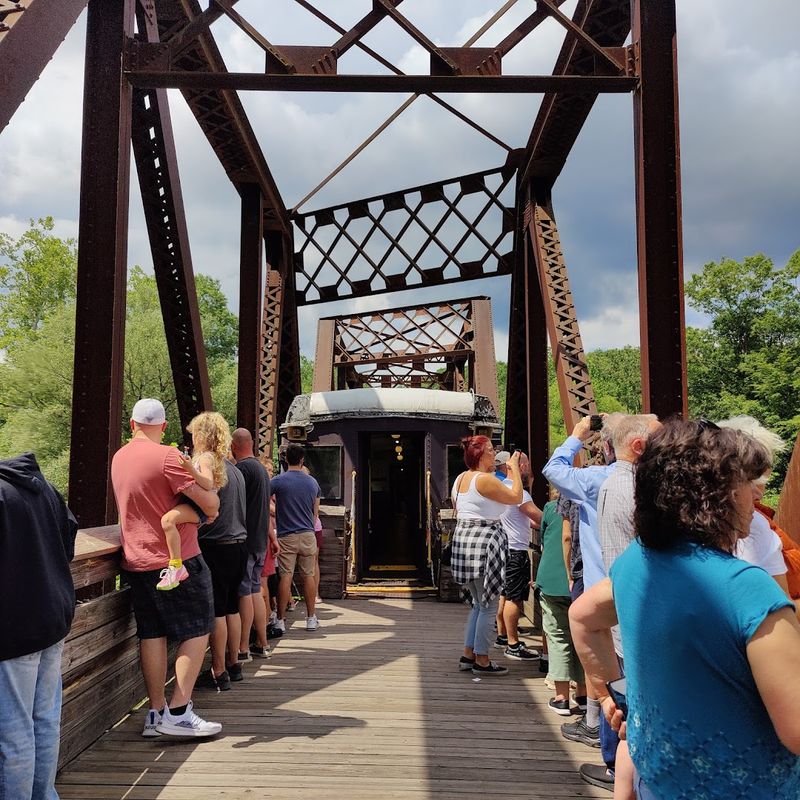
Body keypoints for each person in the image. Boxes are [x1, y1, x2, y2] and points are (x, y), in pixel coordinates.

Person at [570, 419, 800, 800]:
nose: (755, 496)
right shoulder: (747, 588)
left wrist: (610, 695)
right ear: (714, 494)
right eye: (746, 482)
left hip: (661, 782)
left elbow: (582, 617)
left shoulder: (636, 563)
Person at [111, 398, 221, 738]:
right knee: (198, 629)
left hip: (136, 561)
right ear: (163, 427)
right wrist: (207, 508)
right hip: (178, 560)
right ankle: (179, 710)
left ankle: (155, 713)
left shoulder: (118, 458)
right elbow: (211, 503)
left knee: (152, 634)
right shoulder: (169, 457)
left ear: (131, 425)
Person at [544, 413, 619, 786]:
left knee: (607, 669)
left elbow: (553, 470)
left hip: (600, 589)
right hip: (645, 587)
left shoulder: (595, 480)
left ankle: (613, 759)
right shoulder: (661, 481)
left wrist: (575, 435)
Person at [0, 452, 78, 799]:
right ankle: (44, 794)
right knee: (44, 719)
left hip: (14, 627)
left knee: (12, 731)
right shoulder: (45, 488)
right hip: (52, 617)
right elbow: (69, 540)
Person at [596, 414, 660, 799]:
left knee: (629, 721)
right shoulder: (637, 489)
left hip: (621, 611)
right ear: (639, 447)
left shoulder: (610, 482)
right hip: (640, 618)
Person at [451, 436, 523, 676]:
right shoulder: (484, 479)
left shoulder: (461, 478)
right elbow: (516, 497)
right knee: (489, 605)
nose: (495, 454)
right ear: (481, 455)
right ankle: (482, 659)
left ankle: (468, 653)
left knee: (477, 604)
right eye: (492, 450)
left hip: (464, 544)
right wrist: (514, 470)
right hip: (484, 544)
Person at [158, 413, 229, 591]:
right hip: (201, 507)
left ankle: (176, 566)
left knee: (168, 521)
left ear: (201, 435)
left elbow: (207, 482)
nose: (192, 438)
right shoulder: (211, 457)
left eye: (194, 434)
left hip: (198, 507)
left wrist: (190, 469)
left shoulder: (205, 457)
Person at [197, 456, 249, 691]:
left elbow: (207, 508)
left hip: (215, 545)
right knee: (232, 607)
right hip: (238, 545)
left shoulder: (214, 470)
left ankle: (218, 671)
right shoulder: (236, 471)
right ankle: (234, 663)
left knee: (217, 610)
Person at [535, 488, 588, 716]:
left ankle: (561, 697)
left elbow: (550, 540)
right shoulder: (589, 507)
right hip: (583, 580)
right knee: (584, 637)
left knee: (558, 637)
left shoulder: (549, 509)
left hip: (553, 579)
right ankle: (585, 695)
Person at [493, 450, 542, 660]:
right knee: (514, 598)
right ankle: (513, 644)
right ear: (520, 467)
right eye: (527, 465)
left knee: (504, 595)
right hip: (516, 550)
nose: (529, 470)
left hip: (502, 549)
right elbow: (539, 516)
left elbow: (517, 517)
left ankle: (503, 636)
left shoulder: (500, 489)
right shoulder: (519, 492)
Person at [230, 428, 274, 660]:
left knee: (244, 593)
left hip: (246, 540)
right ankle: (262, 642)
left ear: (234, 446)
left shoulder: (242, 469)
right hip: (259, 540)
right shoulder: (260, 469)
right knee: (256, 590)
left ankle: (243, 647)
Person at [271, 444, 322, 633]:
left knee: (286, 576)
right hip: (308, 534)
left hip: (286, 535)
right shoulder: (312, 482)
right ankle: (310, 618)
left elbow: (262, 499)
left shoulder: (277, 481)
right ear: (302, 460)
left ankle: (281, 620)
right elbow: (315, 512)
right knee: (308, 575)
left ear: (285, 460)